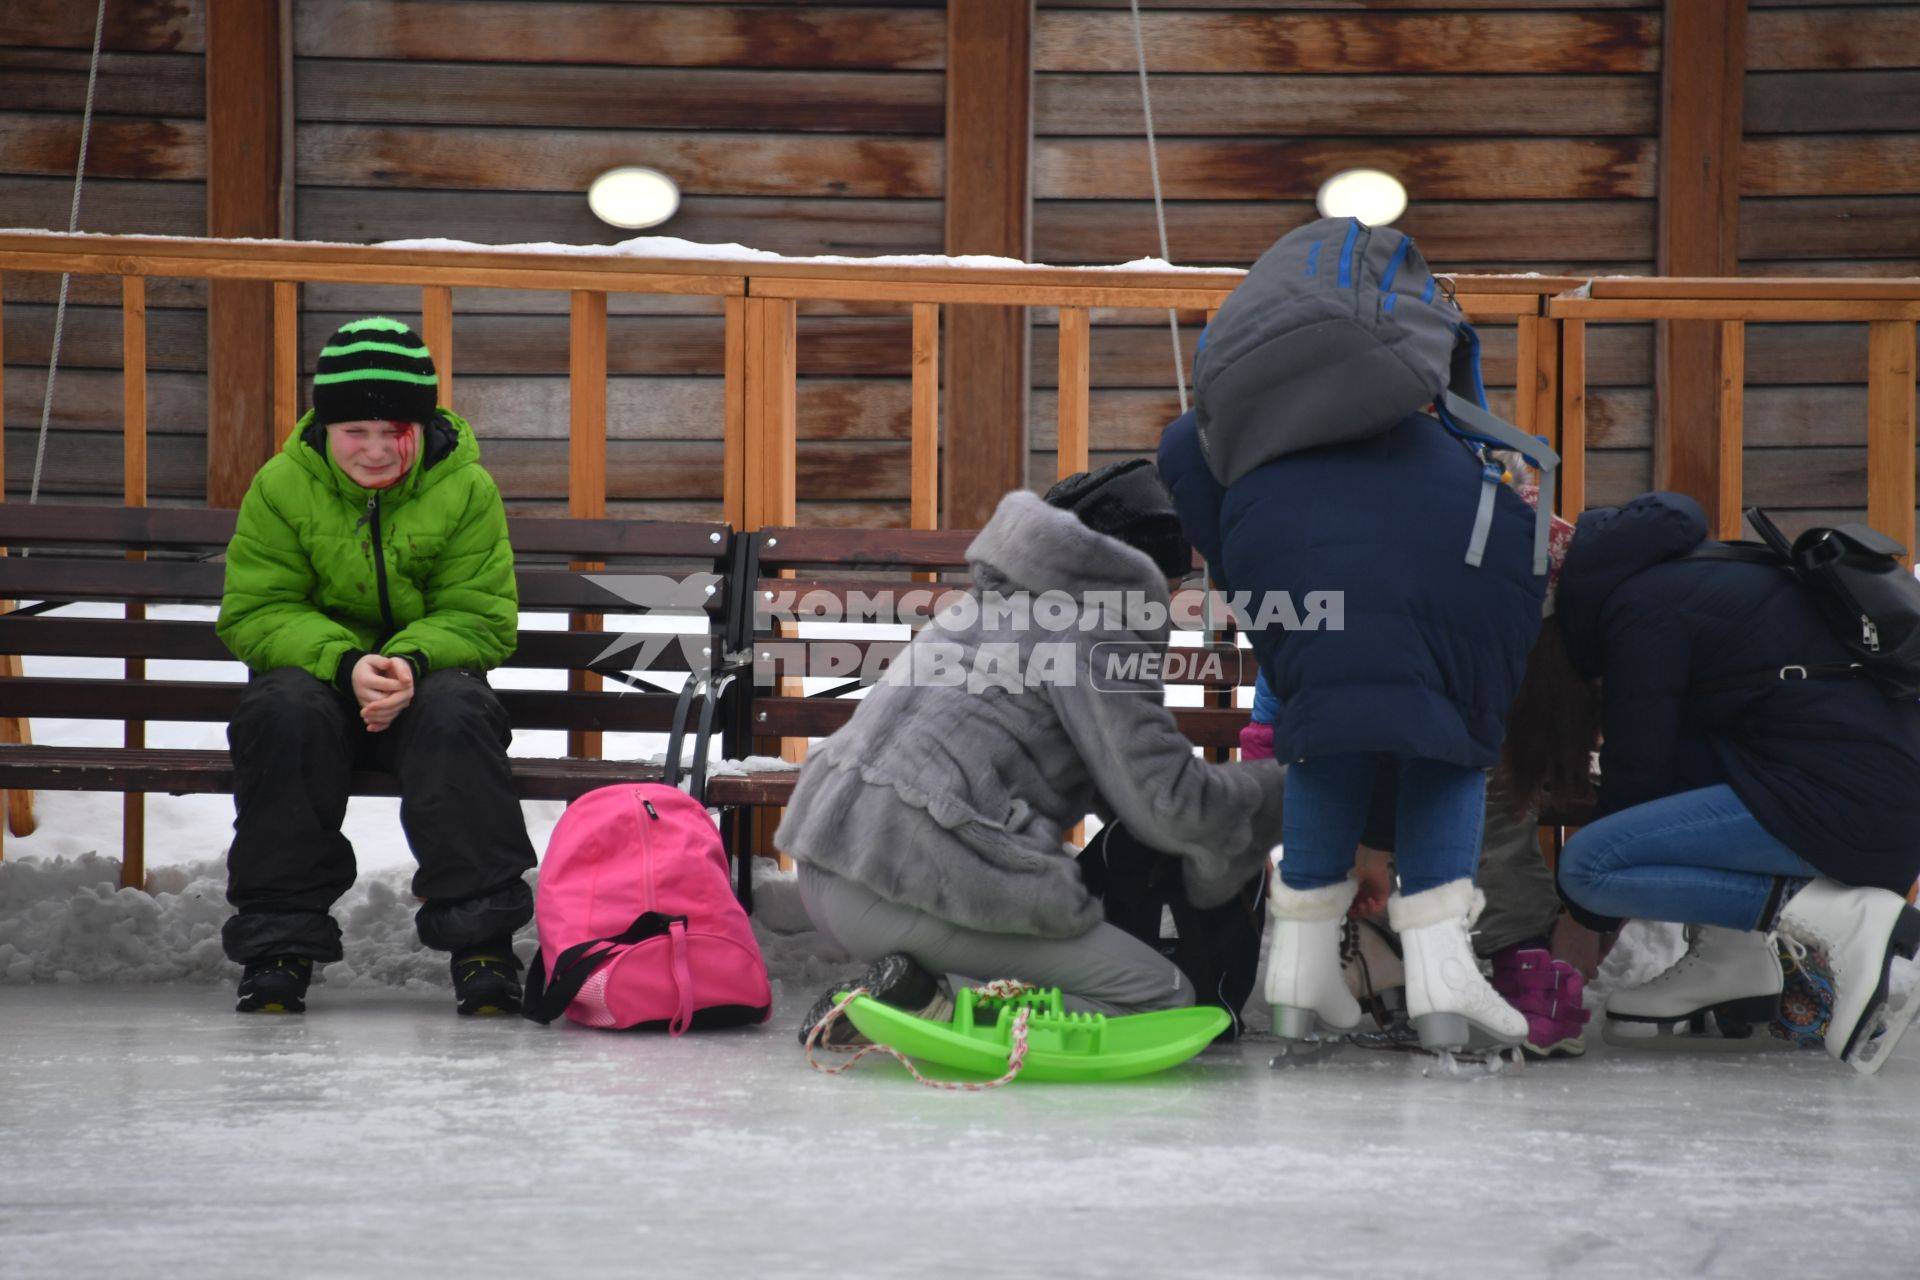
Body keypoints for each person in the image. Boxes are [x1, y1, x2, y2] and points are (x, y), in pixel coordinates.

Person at [779, 461, 1285, 1044]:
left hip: (826, 863)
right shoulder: (1093, 630)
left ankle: (907, 990)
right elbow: (1168, 804)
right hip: (906, 884)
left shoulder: (976, 612)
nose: (1168, 604)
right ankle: (936, 1003)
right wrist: (1299, 793)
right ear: (1134, 570)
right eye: (1169, 587)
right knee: (1162, 996)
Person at [1160, 400, 1545, 1059]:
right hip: (1446, 598)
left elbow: (1180, 441)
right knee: (1448, 751)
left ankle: (1296, 982)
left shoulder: (1296, 431)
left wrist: (1233, 560)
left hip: (1315, 614)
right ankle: (1442, 985)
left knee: (1323, 736)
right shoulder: (1449, 442)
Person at [1504, 492, 1920, 1071]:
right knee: (1678, 786)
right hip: (1878, 797)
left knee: (1589, 867)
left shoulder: (1642, 612)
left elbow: (1635, 787)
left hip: (1847, 800)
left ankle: (1834, 920)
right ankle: (1736, 958)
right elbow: (1677, 775)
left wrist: (1583, 922)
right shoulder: (1695, 575)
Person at [215, 316, 536, 1017]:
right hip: (318, 688)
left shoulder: (465, 488)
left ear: (422, 427)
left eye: (396, 430)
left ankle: (483, 945)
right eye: (354, 431)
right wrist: (344, 661)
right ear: (325, 428)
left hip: (426, 685)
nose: (375, 449)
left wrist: (410, 662)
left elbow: (482, 615)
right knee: (281, 713)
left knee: (458, 713)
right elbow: (257, 611)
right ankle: (277, 944)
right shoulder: (281, 487)